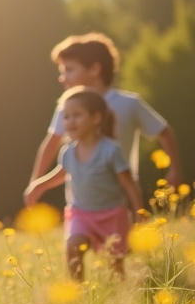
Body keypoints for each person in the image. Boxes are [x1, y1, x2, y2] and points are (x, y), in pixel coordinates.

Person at [30, 32, 181, 189]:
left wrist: (174, 170)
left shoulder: (129, 104)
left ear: (95, 69)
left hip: (122, 195)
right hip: (82, 203)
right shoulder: (67, 106)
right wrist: (35, 183)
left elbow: (163, 132)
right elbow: (52, 143)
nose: (62, 77)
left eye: (69, 69)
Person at [24, 88, 144, 279]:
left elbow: (129, 184)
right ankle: (77, 292)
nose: (70, 121)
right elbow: (61, 173)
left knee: (115, 264)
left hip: (112, 215)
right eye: (66, 116)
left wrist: (140, 214)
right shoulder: (68, 152)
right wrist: (39, 185)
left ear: (96, 118)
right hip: (81, 213)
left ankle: (123, 296)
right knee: (72, 248)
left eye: (77, 115)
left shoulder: (110, 150)